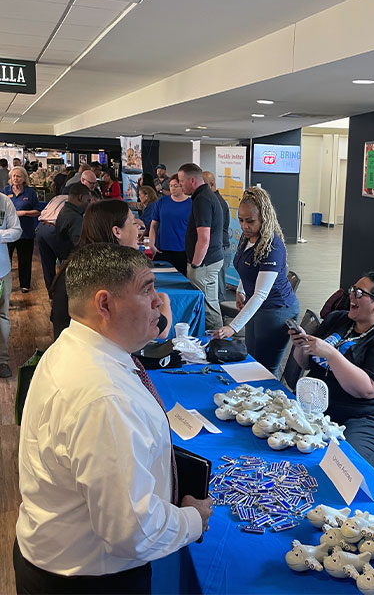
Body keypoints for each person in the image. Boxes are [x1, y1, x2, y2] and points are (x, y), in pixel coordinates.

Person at [14, 243, 212, 594]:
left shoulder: (75, 347)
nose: (159, 300)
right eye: (146, 290)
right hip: (88, 581)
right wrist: (193, 519)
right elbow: (132, 531)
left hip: (59, 560)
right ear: (104, 304)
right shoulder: (104, 397)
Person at [290, 272, 374, 471]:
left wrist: (332, 354)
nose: (352, 296)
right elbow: (306, 364)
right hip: (321, 409)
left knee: (343, 469)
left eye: (359, 293)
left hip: (368, 419)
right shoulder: (338, 319)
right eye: (353, 290)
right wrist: (301, 346)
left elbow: (367, 390)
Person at [51, 199, 173, 341]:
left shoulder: (77, 263)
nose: (138, 228)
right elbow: (159, 329)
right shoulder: (114, 272)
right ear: (117, 231)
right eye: (133, 223)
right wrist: (165, 300)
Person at [213, 187, 299, 375]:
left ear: (263, 218)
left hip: (277, 310)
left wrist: (233, 327)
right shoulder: (248, 238)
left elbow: (261, 293)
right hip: (258, 306)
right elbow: (248, 268)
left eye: (250, 221)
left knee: (265, 368)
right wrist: (241, 290)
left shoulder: (272, 247)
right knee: (251, 360)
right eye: (241, 220)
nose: (244, 226)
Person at [178, 163, 224, 331]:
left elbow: (204, 239)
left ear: (192, 180)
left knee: (208, 306)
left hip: (204, 263)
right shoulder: (204, 197)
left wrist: (195, 264)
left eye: (182, 181)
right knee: (208, 303)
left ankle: (218, 340)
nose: (180, 185)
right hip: (208, 261)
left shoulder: (202, 200)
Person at [3, 166, 40, 293]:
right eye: (13, 176)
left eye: (18, 176)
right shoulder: (5, 191)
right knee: (5, 259)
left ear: (24, 178)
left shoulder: (30, 192)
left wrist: (24, 213)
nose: (15, 178)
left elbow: (37, 211)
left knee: (25, 260)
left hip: (25, 232)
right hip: (8, 232)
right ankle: (4, 285)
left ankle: (25, 284)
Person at [149, 174, 191, 275]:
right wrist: (151, 244)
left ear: (182, 186)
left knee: (180, 279)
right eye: (171, 186)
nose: (172, 188)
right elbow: (154, 225)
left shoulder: (191, 204)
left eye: (175, 186)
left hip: (182, 250)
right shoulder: (161, 202)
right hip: (162, 249)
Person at [0, 193, 22, 377]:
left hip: (2, 270)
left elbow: (16, 230)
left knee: (2, 315)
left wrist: (0, 235)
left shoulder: (4, 201)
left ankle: (2, 360)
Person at [203, 171, 231, 302]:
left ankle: (221, 314)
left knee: (218, 290)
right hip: (218, 248)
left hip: (220, 249)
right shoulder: (212, 200)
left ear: (212, 184)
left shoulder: (216, 202)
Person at [34, 194, 68, 292]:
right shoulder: (75, 201)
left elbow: (43, 211)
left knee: (47, 265)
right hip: (53, 228)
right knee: (66, 262)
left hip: (41, 227)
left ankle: (52, 294)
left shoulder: (57, 198)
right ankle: (63, 294)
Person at [55, 183, 92, 261]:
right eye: (88, 201)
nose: (89, 204)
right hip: (73, 259)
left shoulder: (65, 211)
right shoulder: (75, 218)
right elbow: (80, 244)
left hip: (64, 257)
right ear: (81, 197)